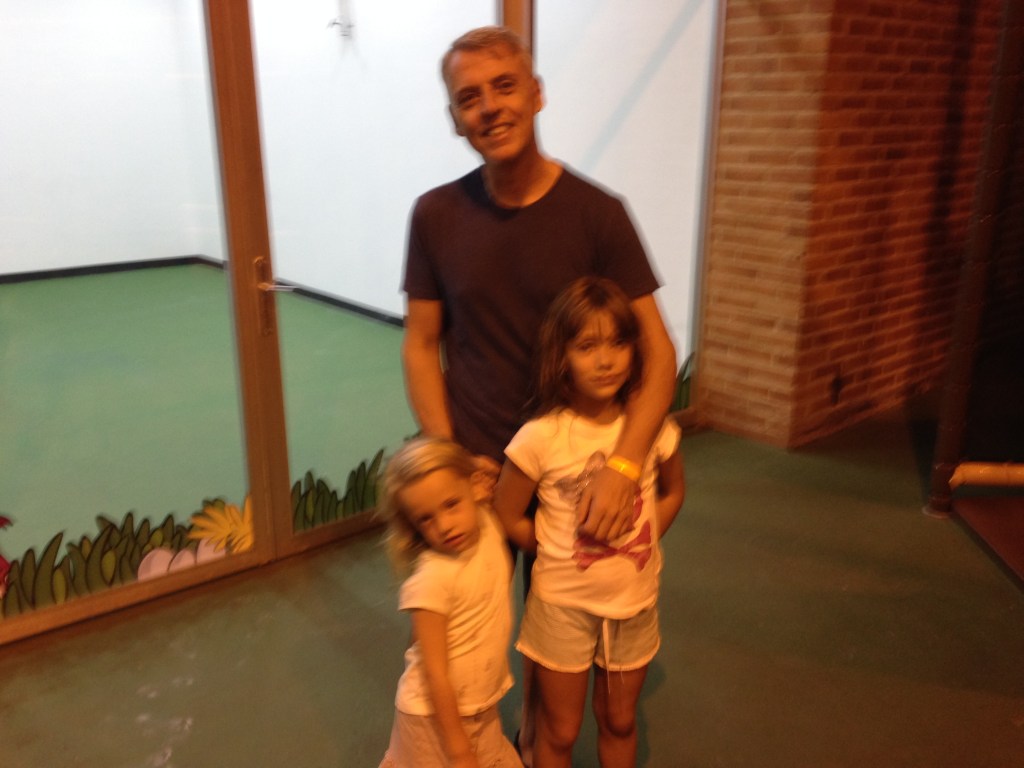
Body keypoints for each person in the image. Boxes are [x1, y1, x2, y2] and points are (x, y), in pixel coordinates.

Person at [401, 24, 677, 542]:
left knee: (571, 596)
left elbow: (658, 350)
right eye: (469, 98)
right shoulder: (434, 216)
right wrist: (451, 457)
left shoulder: (599, 215)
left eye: (505, 86)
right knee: (460, 599)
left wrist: (623, 465)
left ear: (537, 93)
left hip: (575, 469)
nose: (490, 107)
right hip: (479, 467)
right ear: (455, 120)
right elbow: (419, 344)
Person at [492, 277, 686, 768]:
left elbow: (672, 492)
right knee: (559, 730)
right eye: (586, 346)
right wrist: (550, 546)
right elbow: (506, 512)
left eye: (618, 343)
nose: (606, 360)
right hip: (562, 608)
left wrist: (643, 540)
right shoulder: (541, 437)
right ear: (561, 356)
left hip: (634, 605)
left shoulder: (652, 429)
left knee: (619, 721)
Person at [377, 437, 522, 768]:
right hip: (431, 719)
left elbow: (491, 481)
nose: (444, 526)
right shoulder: (431, 579)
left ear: (475, 488)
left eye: (451, 504)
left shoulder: (486, 522)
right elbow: (435, 673)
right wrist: (458, 750)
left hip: (479, 705)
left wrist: (482, 475)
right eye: (425, 519)